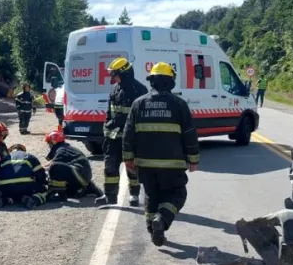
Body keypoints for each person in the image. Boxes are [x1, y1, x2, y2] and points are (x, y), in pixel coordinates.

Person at [122, 62, 200, 247]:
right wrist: (193, 159)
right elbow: (189, 134)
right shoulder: (179, 104)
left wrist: (128, 158)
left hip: (145, 165)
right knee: (177, 194)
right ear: (170, 81)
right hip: (172, 166)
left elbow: (128, 133)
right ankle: (162, 220)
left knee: (151, 195)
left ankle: (153, 230)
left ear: (152, 82)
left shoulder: (138, 103)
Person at [96, 57, 147, 207]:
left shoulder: (140, 90)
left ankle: (134, 194)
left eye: (114, 74)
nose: (112, 77)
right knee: (110, 166)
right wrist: (106, 127)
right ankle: (110, 196)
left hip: (131, 139)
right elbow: (109, 112)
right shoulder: (114, 89)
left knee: (132, 168)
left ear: (124, 73)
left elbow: (142, 117)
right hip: (113, 138)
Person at [44, 131, 104, 201]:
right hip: (82, 174)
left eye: (49, 143)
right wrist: (41, 166)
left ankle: (61, 196)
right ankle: (87, 189)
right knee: (70, 193)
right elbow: (52, 161)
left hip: (80, 175)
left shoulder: (62, 150)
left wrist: (38, 170)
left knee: (55, 167)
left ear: (53, 142)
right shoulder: (64, 148)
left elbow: (53, 164)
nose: (49, 145)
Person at [0, 144, 49, 209]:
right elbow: (40, 175)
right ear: (23, 150)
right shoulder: (30, 156)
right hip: (26, 188)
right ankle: (33, 199)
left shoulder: (4, 158)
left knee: (9, 193)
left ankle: (3, 199)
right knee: (44, 190)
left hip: (6, 188)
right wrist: (41, 184)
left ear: (10, 151)